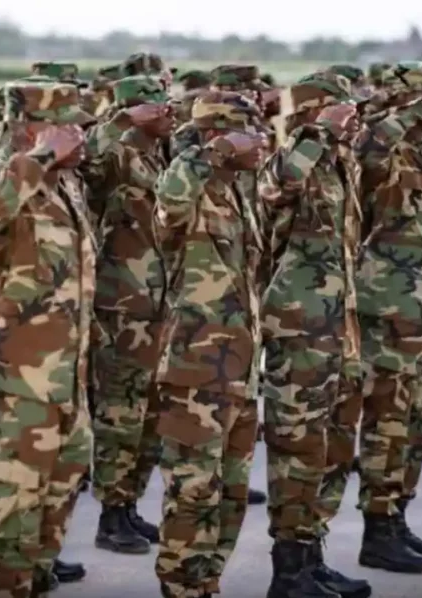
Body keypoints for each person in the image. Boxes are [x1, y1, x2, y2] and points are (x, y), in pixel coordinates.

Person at [0, 81, 97, 598]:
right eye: (69, 127)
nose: (81, 136)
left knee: (54, 505)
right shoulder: (5, 182)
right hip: (21, 382)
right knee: (11, 509)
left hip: (67, 380)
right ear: (33, 128)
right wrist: (41, 154)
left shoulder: (67, 187)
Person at [258, 71, 369, 598]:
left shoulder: (340, 164)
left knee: (335, 442)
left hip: (339, 324)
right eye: (343, 108)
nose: (354, 115)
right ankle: (288, 571)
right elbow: (274, 186)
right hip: (300, 328)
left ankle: (311, 551)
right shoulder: (293, 159)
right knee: (297, 445)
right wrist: (318, 131)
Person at [153, 91, 264, 598]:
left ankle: (206, 581)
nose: (260, 140)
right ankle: (180, 586)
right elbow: (171, 201)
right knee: (193, 488)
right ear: (220, 137)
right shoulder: (188, 185)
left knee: (232, 490)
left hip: (240, 365)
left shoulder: (234, 190)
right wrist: (210, 151)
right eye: (248, 131)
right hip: (197, 366)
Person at [354, 62, 422, 575]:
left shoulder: (418, 149)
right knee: (387, 420)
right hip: (389, 307)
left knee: (414, 419)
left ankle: (396, 516)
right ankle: (376, 529)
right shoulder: (381, 141)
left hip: (421, 306)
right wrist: (411, 110)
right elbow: (366, 152)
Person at [80, 75, 173, 556]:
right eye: (158, 107)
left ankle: (130, 502)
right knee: (120, 413)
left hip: (158, 303)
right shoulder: (114, 152)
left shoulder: (158, 154)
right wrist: (117, 121)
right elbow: (87, 160)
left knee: (151, 414)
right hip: (122, 304)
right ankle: (110, 513)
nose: (169, 112)